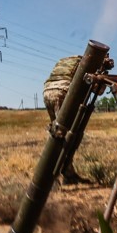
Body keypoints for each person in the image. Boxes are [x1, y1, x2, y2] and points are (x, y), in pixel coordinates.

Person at [42, 55, 90, 185]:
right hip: (63, 91)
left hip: (47, 91)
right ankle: (53, 175)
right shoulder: (87, 63)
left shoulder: (65, 61)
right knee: (68, 135)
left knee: (56, 133)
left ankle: (68, 172)